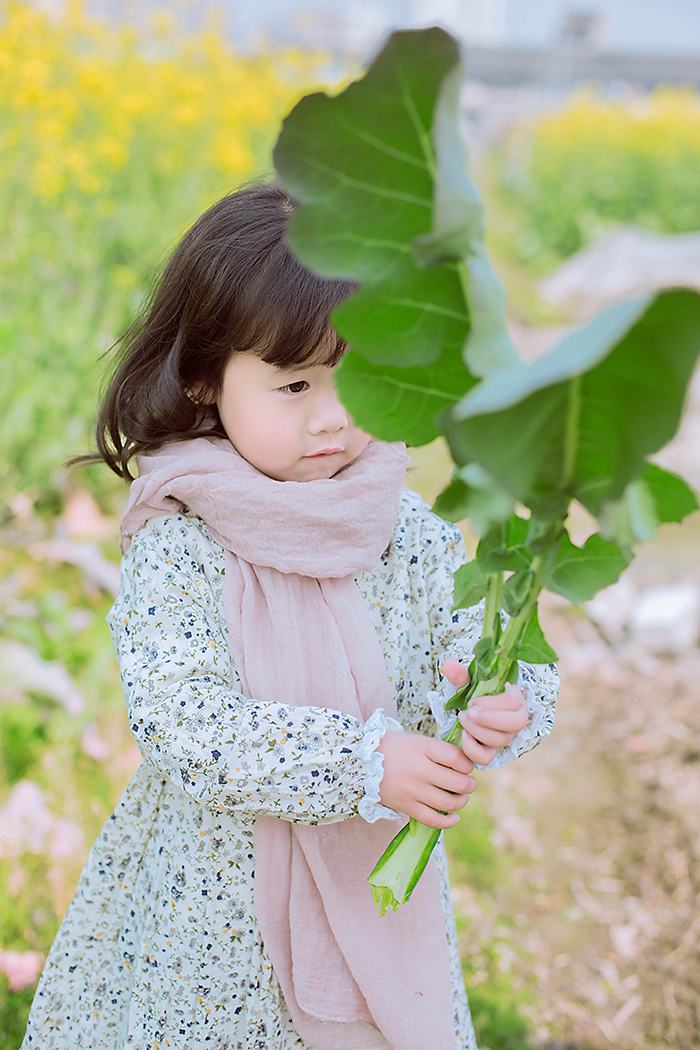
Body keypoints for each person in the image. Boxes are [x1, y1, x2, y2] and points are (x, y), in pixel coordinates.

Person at [21, 182, 558, 1050]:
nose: (334, 419)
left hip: (375, 890)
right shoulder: (182, 539)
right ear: (204, 378)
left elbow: (477, 642)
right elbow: (184, 720)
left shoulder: (402, 526)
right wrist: (360, 765)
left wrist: (503, 701)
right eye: (295, 384)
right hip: (212, 915)